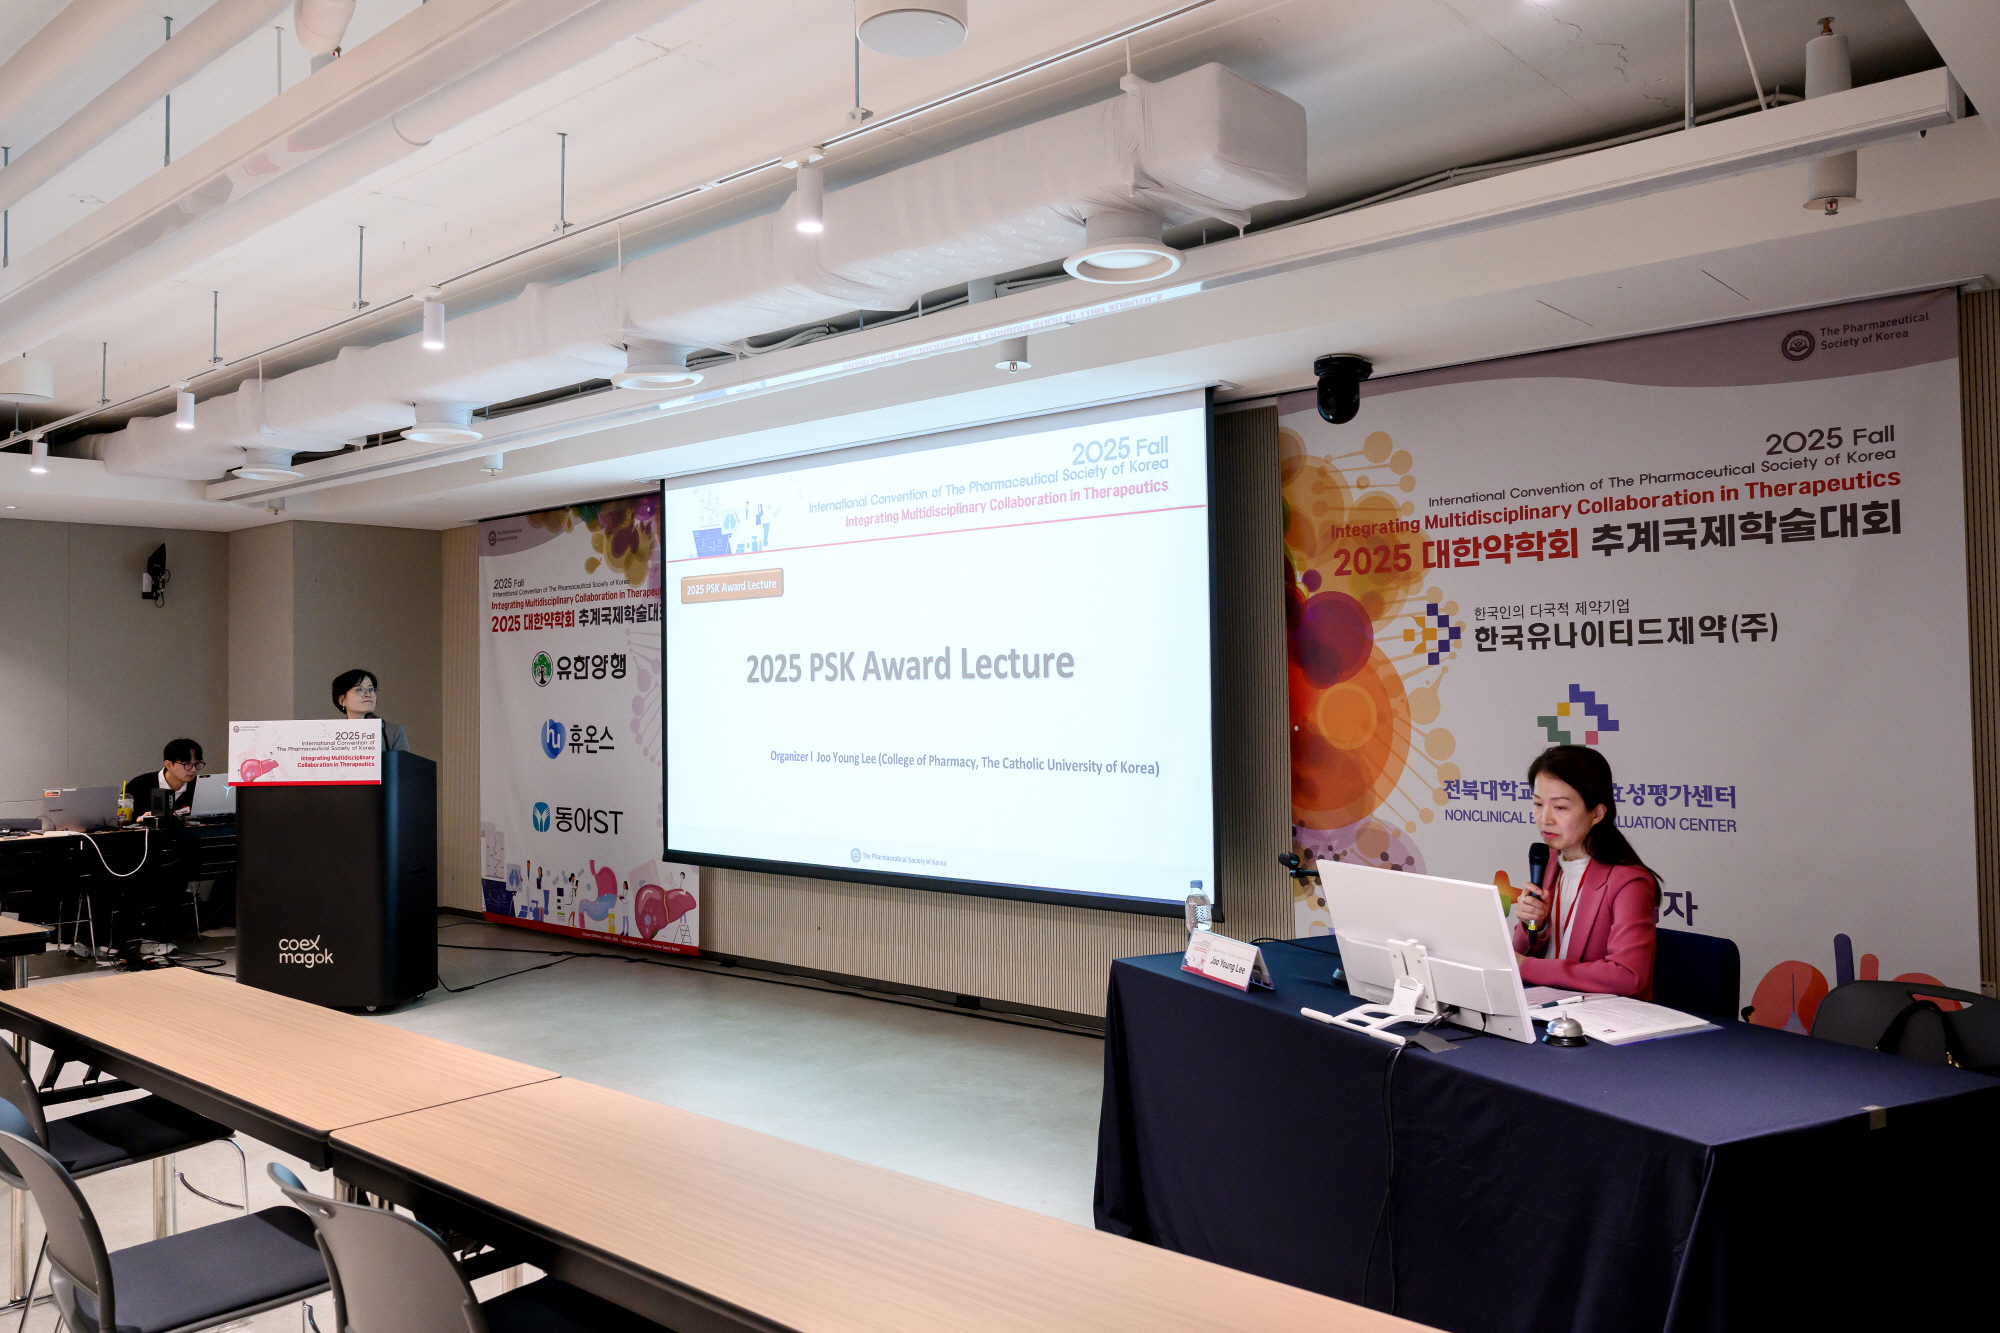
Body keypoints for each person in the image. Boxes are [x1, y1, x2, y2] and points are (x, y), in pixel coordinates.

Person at [1512, 745, 1658, 999]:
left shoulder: (1628, 882)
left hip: (1601, 1017)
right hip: (1547, 1007)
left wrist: (1527, 967)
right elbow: (1519, 953)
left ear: (1597, 813)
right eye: (1538, 804)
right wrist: (1534, 924)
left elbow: (1628, 976)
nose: (1545, 818)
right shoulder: (1549, 862)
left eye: (1560, 807)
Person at [332, 669, 410, 752]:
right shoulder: (331, 733)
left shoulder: (392, 732)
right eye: (360, 689)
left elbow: (402, 760)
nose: (368, 694)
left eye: (371, 689)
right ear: (341, 700)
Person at [127, 739, 205, 817]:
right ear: (168, 764)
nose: (193, 769)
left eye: (197, 763)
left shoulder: (200, 787)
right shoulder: (139, 786)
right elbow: (123, 818)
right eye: (187, 764)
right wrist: (139, 820)